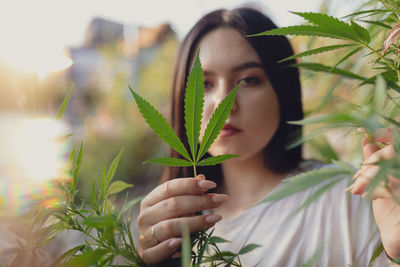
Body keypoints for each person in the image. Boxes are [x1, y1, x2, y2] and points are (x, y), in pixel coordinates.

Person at [136, 7, 400, 266]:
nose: (225, 103)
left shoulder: (348, 198)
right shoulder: (175, 224)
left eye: (249, 79)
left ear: (283, 92)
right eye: (204, 84)